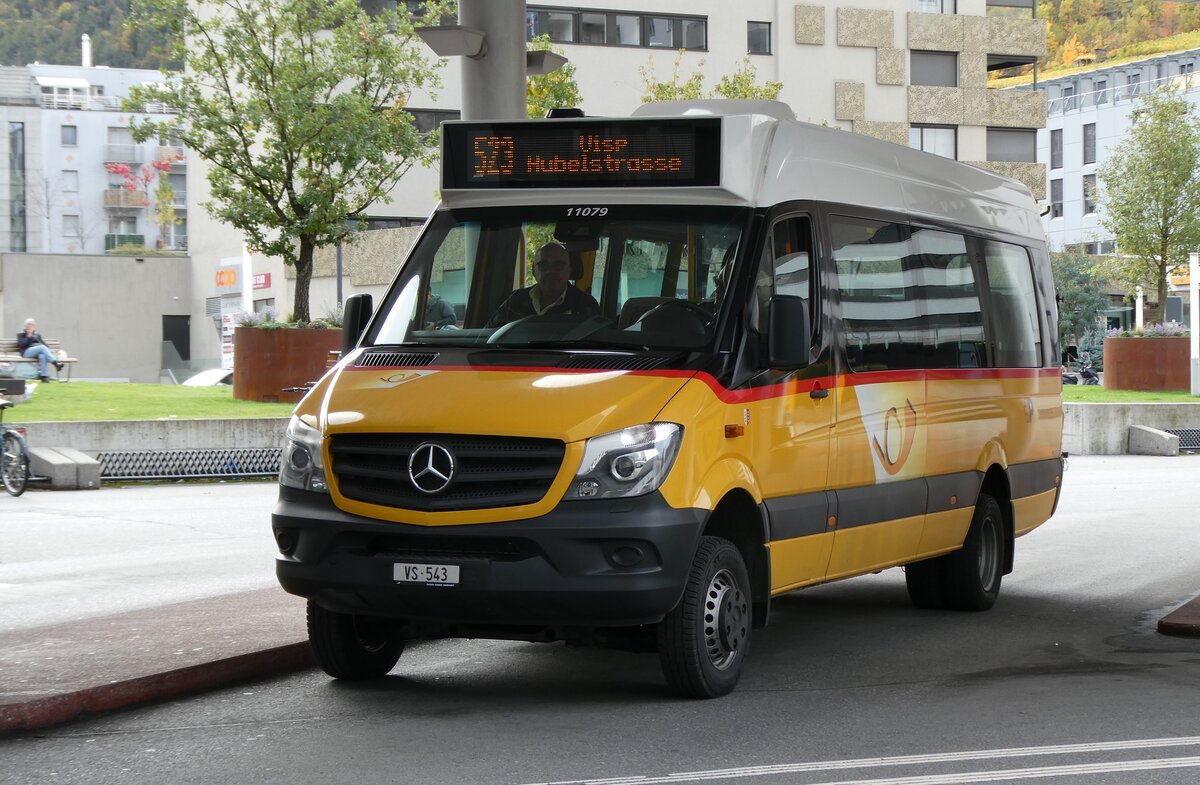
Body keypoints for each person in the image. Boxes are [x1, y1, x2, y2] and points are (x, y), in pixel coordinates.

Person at [486, 242, 600, 327]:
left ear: (569, 270)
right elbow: (488, 337)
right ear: (533, 271)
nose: (550, 271)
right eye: (543, 265)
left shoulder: (585, 305)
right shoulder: (515, 301)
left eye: (559, 265)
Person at [17, 318, 63, 382]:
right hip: (26, 353)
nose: (30, 326)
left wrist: (51, 351)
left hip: (38, 352)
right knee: (42, 347)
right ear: (25, 326)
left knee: (42, 356)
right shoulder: (21, 335)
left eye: (32, 325)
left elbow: (45, 345)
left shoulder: (37, 335)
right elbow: (22, 345)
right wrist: (29, 336)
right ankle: (56, 363)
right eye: (29, 325)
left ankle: (44, 376)